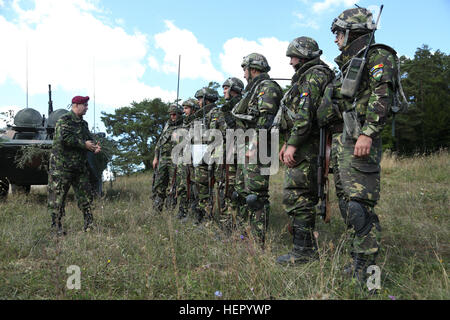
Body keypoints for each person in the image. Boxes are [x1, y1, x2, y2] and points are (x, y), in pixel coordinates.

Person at [317, 7, 399, 280]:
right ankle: (357, 261)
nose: (335, 38)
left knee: (359, 207)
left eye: (338, 33)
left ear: (353, 32)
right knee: (346, 204)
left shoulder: (378, 56)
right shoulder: (345, 67)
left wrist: (368, 132)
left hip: (360, 139)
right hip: (343, 141)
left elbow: (382, 95)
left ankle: (369, 273)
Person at [276, 37, 334, 264]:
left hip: (307, 147)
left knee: (298, 195)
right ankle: (303, 248)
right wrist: (287, 142)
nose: (291, 61)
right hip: (303, 142)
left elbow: (305, 114)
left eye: (294, 56)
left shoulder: (315, 74)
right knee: (295, 194)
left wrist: (293, 143)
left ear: (306, 54)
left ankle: (304, 252)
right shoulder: (308, 75)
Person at [231, 53, 282, 245]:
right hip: (248, 146)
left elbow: (266, 121)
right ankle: (243, 235)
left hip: (259, 148)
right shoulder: (253, 91)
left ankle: (257, 241)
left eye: (245, 70)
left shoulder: (267, 88)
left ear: (253, 69)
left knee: (256, 197)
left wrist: (254, 145)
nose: (244, 75)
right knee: (241, 194)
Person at [47, 96, 101, 235]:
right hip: (62, 167)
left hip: (79, 167)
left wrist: (95, 146)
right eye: (85, 105)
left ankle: (89, 225)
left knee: (86, 197)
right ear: (76, 105)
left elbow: (89, 138)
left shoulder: (83, 124)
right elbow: (66, 138)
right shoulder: (64, 120)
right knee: (58, 198)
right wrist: (84, 144)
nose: (87, 107)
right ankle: (56, 228)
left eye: (87, 105)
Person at [209, 77, 244, 232]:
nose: (223, 91)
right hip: (224, 157)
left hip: (240, 157)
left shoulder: (245, 105)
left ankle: (238, 226)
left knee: (237, 191)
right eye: (222, 88)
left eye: (226, 88)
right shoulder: (222, 110)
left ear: (234, 89)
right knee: (223, 188)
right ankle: (227, 226)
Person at [190, 87, 219, 224]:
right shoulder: (201, 117)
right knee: (200, 188)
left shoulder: (215, 113)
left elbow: (214, 135)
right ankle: (201, 216)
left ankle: (208, 219)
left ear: (207, 99)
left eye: (200, 99)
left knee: (206, 189)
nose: (198, 102)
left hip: (210, 157)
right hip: (199, 158)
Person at [152, 104, 183, 211]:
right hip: (163, 159)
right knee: (159, 184)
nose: (172, 117)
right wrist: (155, 158)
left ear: (179, 114)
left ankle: (170, 212)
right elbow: (159, 143)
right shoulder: (167, 126)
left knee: (173, 186)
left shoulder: (184, 126)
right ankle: (157, 210)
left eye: (174, 114)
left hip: (175, 161)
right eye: (171, 115)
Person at [175, 98, 198, 221]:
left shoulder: (197, 122)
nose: (184, 111)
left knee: (193, 187)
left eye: (186, 108)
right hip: (183, 160)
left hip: (193, 160)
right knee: (182, 187)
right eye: (183, 108)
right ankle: (182, 211)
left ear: (193, 109)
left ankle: (193, 213)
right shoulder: (183, 123)